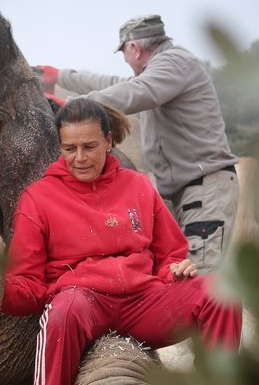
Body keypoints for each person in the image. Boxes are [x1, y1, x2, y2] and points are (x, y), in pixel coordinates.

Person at [1, 98, 242, 385]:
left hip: (142, 301)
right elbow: (27, 282)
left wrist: (175, 271)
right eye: (70, 148)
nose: (80, 157)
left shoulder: (138, 187)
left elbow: (170, 254)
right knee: (60, 313)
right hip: (82, 302)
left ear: (109, 141)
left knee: (222, 293)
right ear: (59, 148)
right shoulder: (39, 199)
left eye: (89, 147)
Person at [36, 14, 239, 273]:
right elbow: (115, 84)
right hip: (191, 190)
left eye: (123, 53)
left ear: (134, 48)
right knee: (183, 277)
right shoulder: (164, 69)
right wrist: (62, 76)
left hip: (205, 189)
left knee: (201, 278)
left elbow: (137, 91)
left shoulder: (175, 62)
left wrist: (75, 109)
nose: (125, 60)